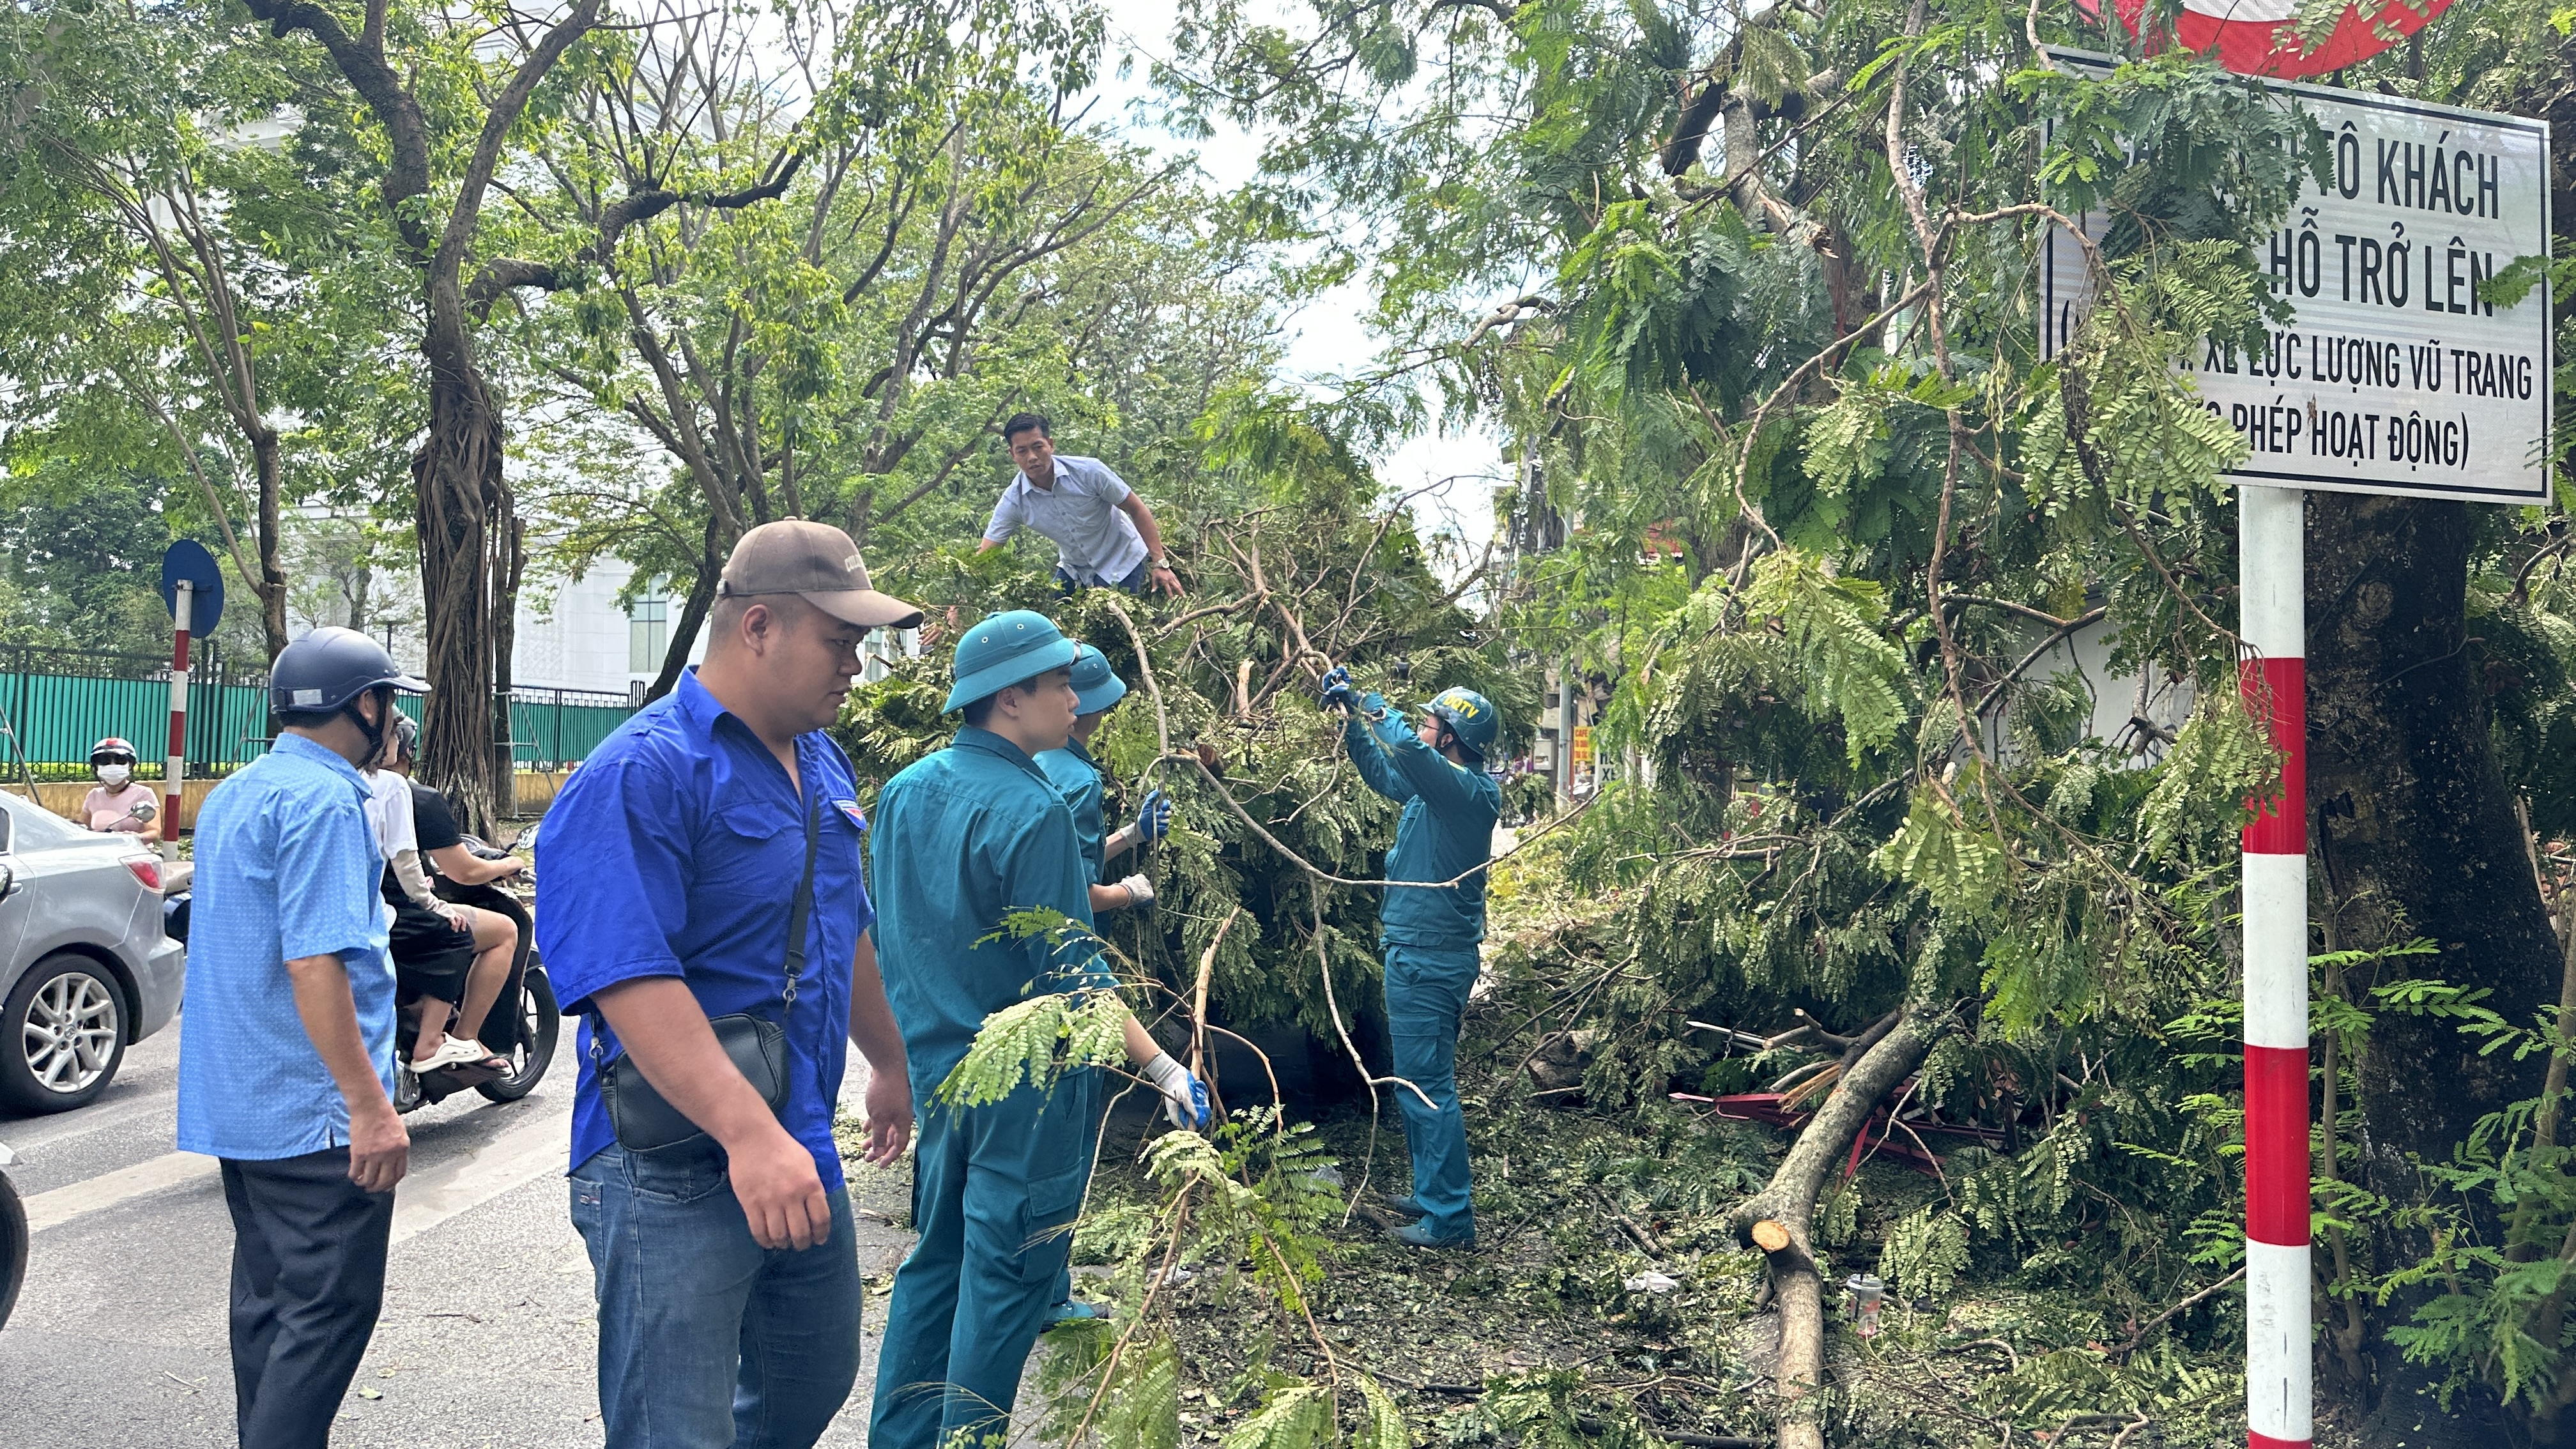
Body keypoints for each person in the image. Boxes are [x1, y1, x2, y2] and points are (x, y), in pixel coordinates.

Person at [537, 519, 921, 1449]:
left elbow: (845, 921)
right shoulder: (641, 772)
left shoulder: (820, 758)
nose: (854, 668)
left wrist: (890, 1062)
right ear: (758, 627)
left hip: (792, 1144)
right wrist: (749, 1137)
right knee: (675, 1428)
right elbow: (626, 977)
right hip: (671, 1167)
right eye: (839, 642)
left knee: (811, 1376)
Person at [868, 610, 1210, 1449]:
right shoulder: (1037, 810)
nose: (1073, 694)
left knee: (935, 1265)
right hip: (1028, 1090)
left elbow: (887, 938)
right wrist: (1166, 1070)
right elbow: (1077, 977)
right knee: (1008, 1283)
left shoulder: (906, 792)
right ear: (1010, 698)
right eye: (1059, 681)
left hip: (943, 1078)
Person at [176, 625, 425, 1449]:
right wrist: (370, 1106)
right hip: (313, 1112)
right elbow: (315, 962)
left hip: (242, 1103)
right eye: (388, 702)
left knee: (270, 1303)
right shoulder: (325, 802)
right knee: (328, 1312)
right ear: (364, 704)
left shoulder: (238, 793)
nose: (390, 722)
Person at [1319, 666, 1503, 1250]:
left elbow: (1401, 745)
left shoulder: (1468, 791)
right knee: (1417, 1084)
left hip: (1429, 957)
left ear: (1448, 737)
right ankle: (1433, 1194)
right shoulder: (1437, 789)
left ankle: (1448, 1218)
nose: (1421, 727)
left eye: (1429, 721)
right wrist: (1351, 721)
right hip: (1417, 951)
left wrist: (1370, 703)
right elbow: (1385, 772)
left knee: (1427, 1088)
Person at [367, 714, 514, 1073]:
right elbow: (460, 871)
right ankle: (452, 1039)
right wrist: (507, 866)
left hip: (355, 911)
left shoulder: (334, 781)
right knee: (495, 931)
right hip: (391, 913)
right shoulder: (402, 789)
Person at [976, 413, 1185, 597]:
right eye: (1022, 451)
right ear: (1013, 455)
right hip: (1075, 568)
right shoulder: (1015, 501)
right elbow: (986, 556)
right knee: (1050, 622)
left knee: (1113, 626)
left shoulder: (1089, 472)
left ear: (1050, 444)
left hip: (1123, 558)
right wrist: (959, 604)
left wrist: (1160, 563)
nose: (1032, 457)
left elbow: (1137, 509)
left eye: (1038, 447)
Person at [1037, 645, 1172, 919]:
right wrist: (1129, 892)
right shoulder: (1082, 783)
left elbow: (1062, 863)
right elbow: (1073, 894)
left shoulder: (1037, 754)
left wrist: (1131, 836)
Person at [80, 736, 161, 842]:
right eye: (105, 761)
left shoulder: (144, 794)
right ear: (96, 766)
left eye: (120, 760)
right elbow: (81, 829)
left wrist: (131, 839)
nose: (113, 765)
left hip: (133, 854)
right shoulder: (94, 796)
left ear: (131, 765)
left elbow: (154, 832)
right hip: (101, 853)